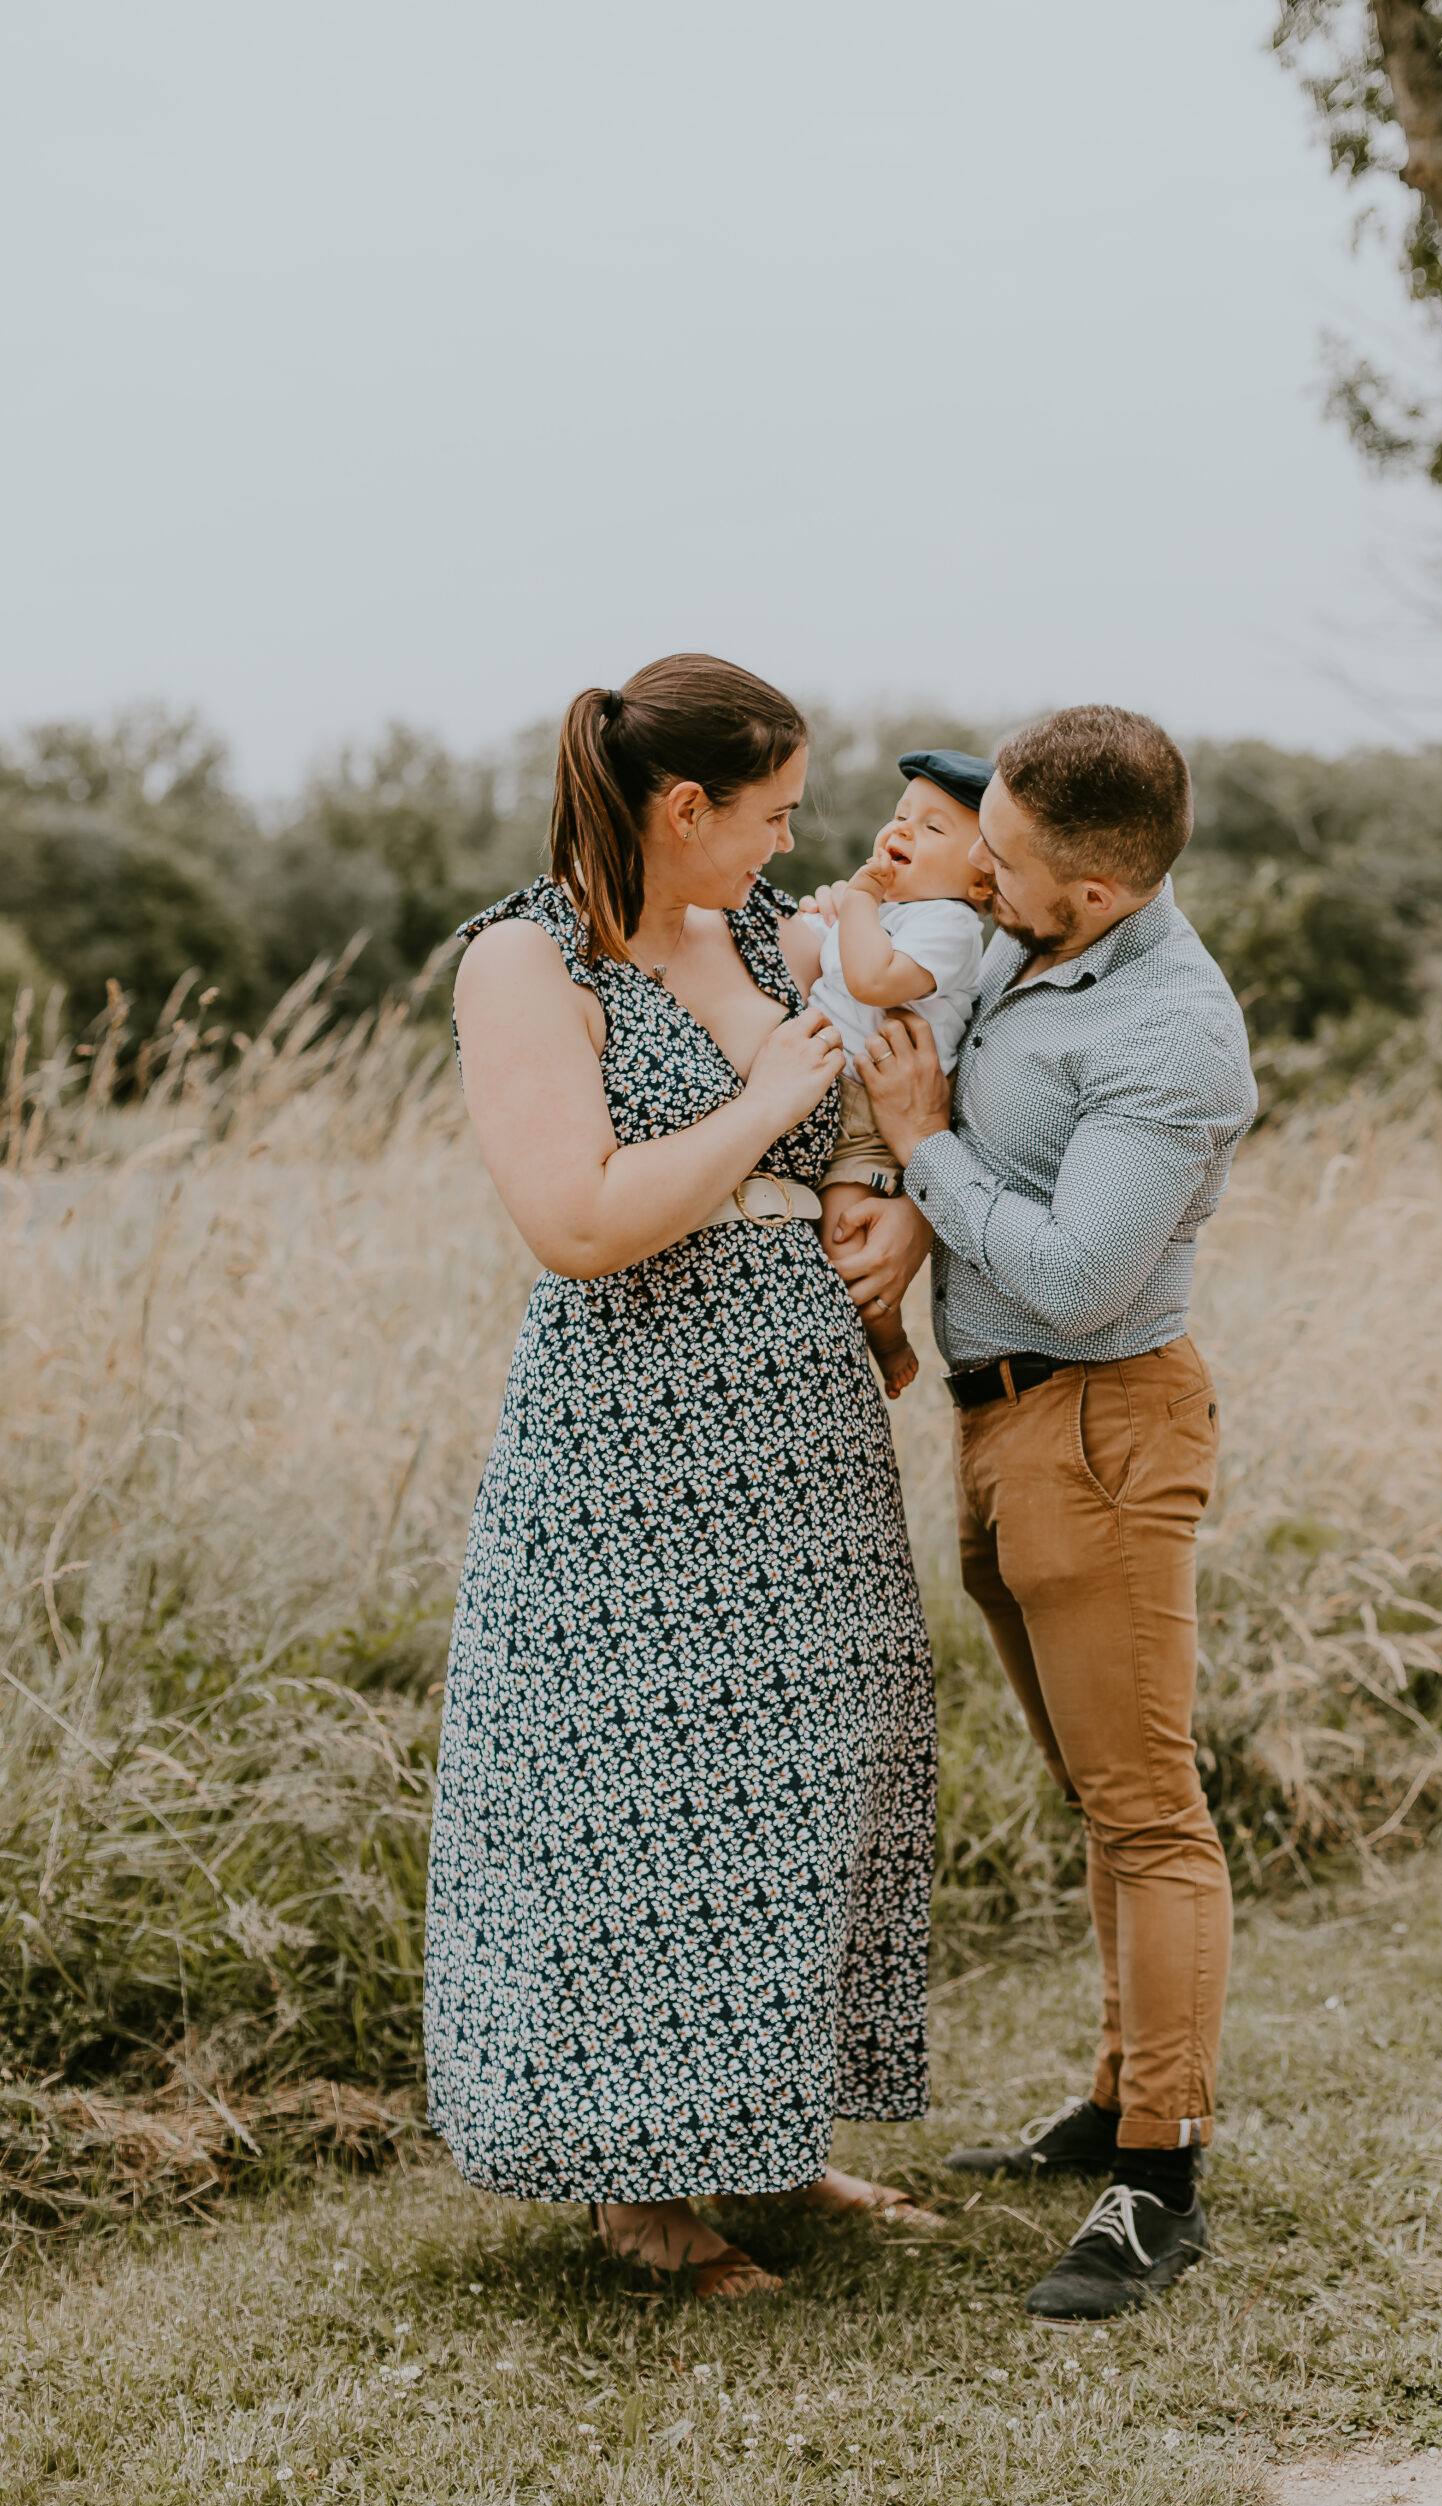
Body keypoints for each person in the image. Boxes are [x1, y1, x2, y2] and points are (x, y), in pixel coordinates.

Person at [423, 653, 940, 2301]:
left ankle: (764, 2126)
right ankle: (639, 2194)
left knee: (801, 1777)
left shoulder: (767, 928)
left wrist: (880, 1197)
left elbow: (860, 1104)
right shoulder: (527, 962)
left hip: (802, 1426)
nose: (793, 839)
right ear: (683, 805)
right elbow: (575, 1220)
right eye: (771, 810)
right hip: (633, 1439)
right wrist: (767, 1100)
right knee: (639, 1789)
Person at [845, 702, 1258, 2324]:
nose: (982, 871)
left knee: (1146, 1811)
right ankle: (1111, 2095)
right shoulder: (1030, 942)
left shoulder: (1168, 1034)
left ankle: (1159, 2174)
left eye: (1005, 858)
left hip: (1098, 1427)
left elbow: (1082, 1274)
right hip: (999, 1423)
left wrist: (923, 1150)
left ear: (1092, 890)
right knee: (1099, 1795)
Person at [799, 748, 992, 1398]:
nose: (903, 830)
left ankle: (887, 1337)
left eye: (933, 828)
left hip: (871, 1114)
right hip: (831, 1088)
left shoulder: (950, 924)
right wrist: (835, 907)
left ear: (981, 882)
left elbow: (872, 980)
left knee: (845, 1237)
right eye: (902, 814)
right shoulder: (883, 911)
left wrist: (856, 898)